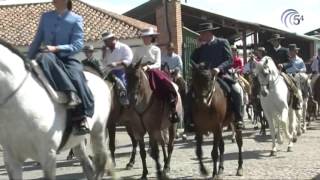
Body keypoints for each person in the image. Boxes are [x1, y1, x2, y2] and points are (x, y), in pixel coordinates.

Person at [28, 0, 93, 135]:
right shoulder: (46, 17)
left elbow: (78, 45)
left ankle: (81, 115)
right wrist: (27, 59)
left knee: (76, 76)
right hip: (47, 57)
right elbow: (37, 40)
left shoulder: (76, 19)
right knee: (43, 59)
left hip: (68, 58)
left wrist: (57, 48)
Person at [190, 22, 244, 129]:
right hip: (204, 78)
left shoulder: (222, 42)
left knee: (236, 91)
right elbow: (192, 61)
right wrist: (197, 48)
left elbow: (229, 60)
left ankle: (238, 118)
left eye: (202, 34)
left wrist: (219, 68)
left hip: (221, 75)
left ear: (209, 33)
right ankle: (190, 120)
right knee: (190, 92)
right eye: (200, 34)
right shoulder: (201, 47)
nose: (200, 36)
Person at [132, 27, 179, 123]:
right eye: (144, 37)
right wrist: (138, 68)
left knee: (165, 83)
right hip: (140, 70)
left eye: (147, 37)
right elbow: (133, 62)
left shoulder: (156, 49)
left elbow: (157, 63)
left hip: (153, 70)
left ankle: (171, 105)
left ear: (151, 38)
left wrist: (148, 67)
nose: (145, 39)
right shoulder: (138, 50)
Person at [101, 32, 133, 106]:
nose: (105, 43)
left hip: (121, 71)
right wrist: (103, 53)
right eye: (104, 41)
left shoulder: (123, 47)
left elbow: (128, 59)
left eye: (106, 41)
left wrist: (116, 63)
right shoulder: (107, 50)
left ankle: (125, 99)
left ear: (113, 39)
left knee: (121, 83)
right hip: (108, 72)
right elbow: (104, 63)